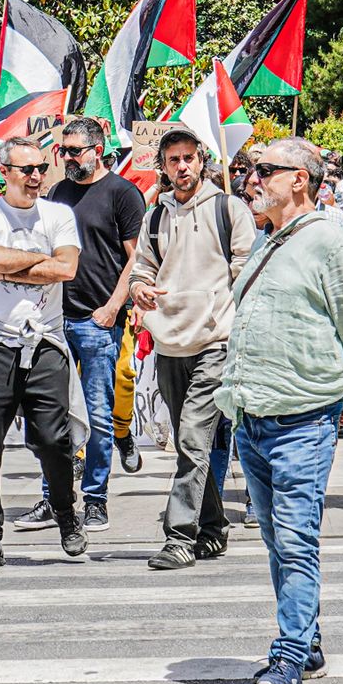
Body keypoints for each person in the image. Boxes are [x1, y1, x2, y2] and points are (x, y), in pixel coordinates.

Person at [218, 138, 343, 684]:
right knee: (275, 538)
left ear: (300, 181)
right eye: (250, 170)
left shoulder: (329, 242)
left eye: (265, 170)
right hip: (253, 415)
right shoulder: (270, 240)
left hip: (304, 417)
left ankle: (288, 658)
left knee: (294, 537)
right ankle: (306, 640)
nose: (252, 178)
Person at [0, 136, 86, 571]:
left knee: (52, 437)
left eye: (42, 167)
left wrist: (9, 264)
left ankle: (65, 512)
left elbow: (67, 268)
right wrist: (36, 263)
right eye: (27, 169)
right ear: (4, 172)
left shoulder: (59, 213)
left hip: (44, 340)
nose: (37, 176)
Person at [11, 117, 144, 534]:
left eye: (74, 151)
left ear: (97, 150)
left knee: (99, 415)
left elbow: (136, 259)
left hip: (97, 322)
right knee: (51, 416)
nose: (65, 158)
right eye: (62, 151)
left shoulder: (123, 194)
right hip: (52, 321)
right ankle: (53, 498)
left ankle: (96, 499)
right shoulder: (58, 193)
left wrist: (112, 308)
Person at [130, 127, 255, 568]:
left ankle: (179, 535)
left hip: (216, 341)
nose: (182, 167)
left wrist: (242, 326)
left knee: (192, 438)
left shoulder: (229, 208)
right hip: (170, 342)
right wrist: (140, 289)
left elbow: (247, 271)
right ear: (163, 167)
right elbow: (141, 268)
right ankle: (214, 527)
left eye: (188, 158)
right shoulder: (156, 217)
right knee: (192, 445)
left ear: (202, 160)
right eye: (173, 160)